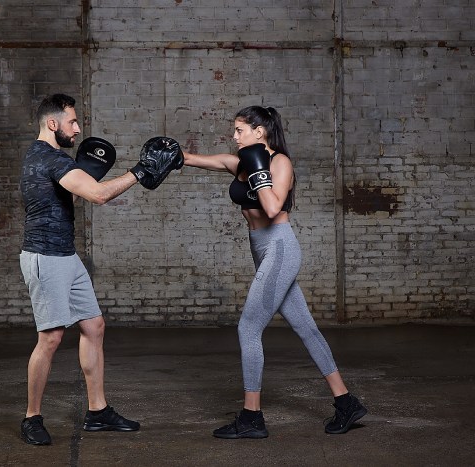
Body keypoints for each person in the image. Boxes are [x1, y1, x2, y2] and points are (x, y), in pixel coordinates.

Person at [181, 105, 367, 439]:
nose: (234, 136)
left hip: (280, 248)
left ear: (259, 131)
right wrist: (167, 153)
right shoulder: (237, 162)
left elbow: (271, 207)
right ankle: (346, 402)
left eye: (240, 130)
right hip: (261, 250)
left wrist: (257, 168)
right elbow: (193, 159)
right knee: (306, 328)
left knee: (248, 328)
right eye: (234, 130)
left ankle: (251, 417)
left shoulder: (280, 163)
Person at [18, 93, 181, 445]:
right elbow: (98, 196)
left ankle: (97, 411)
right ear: (53, 123)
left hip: (65, 254)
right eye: (72, 122)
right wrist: (141, 171)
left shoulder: (52, 160)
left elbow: (75, 194)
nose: (77, 129)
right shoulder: (47, 158)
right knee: (51, 338)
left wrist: (86, 174)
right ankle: (32, 417)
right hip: (45, 257)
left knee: (93, 326)